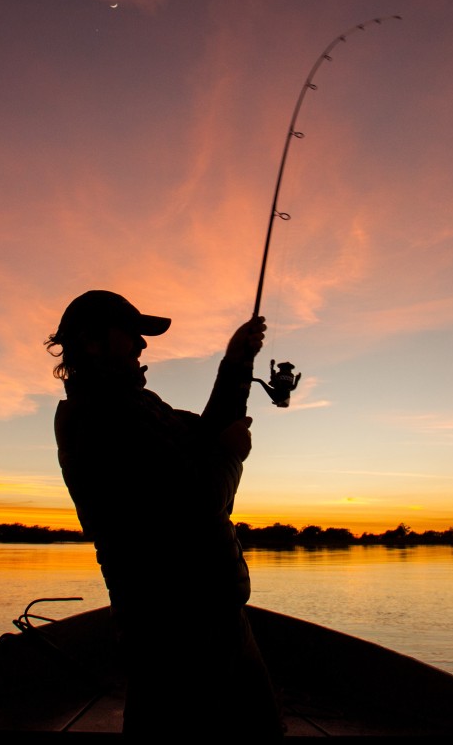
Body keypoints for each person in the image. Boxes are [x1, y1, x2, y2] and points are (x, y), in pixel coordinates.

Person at [46, 290, 282, 735]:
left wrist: (236, 362)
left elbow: (210, 432)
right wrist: (232, 455)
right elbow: (199, 501)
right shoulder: (102, 419)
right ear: (92, 342)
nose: (142, 345)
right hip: (173, 629)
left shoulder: (137, 406)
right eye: (131, 334)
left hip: (213, 615)